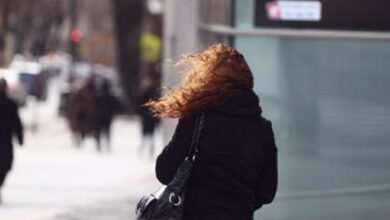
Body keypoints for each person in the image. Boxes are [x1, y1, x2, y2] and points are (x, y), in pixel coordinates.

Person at [145, 44, 278, 220]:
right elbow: (266, 191)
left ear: (208, 80)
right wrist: (238, 205)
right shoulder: (262, 129)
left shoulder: (197, 119)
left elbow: (164, 171)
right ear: (247, 82)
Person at [0, 78, 23, 204]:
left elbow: (16, 122)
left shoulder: (10, 104)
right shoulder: (11, 104)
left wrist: (20, 137)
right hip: (5, 142)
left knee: (5, 165)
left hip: (5, 140)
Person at [92, 79, 119, 152]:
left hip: (100, 116)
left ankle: (99, 145)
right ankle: (107, 144)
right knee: (106, 131)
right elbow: (116, 106)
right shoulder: (110, 96)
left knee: (99, 131)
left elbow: (93, 106)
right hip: (107, 116)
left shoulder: (97, 95)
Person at [138, 77, 160, 158]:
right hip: (149, 118)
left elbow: (139, 106)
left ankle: (146, 149)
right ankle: (145, 149)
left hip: (149, 118)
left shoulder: (148, 95)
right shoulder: (154, 95)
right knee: (149, 135)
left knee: (147, 135)